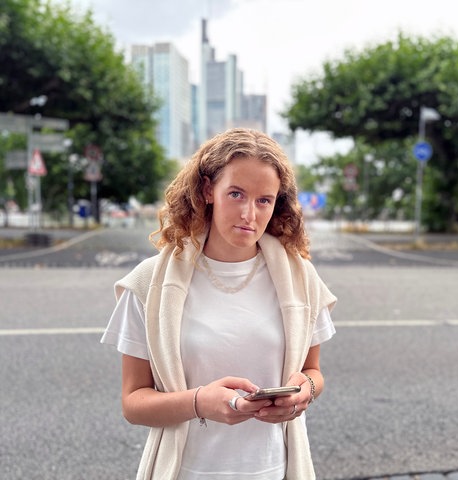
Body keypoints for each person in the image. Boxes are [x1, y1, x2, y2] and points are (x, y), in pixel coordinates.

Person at [101, 128, 337, 480]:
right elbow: (133, 404)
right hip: (184, 471)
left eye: (264, 201)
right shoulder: (150, 282)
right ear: (208, 190)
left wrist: (305, 393)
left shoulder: (301, 279)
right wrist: (199, 403)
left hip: (275, 470)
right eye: (236, 194)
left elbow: (312, 373)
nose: (249, 214)